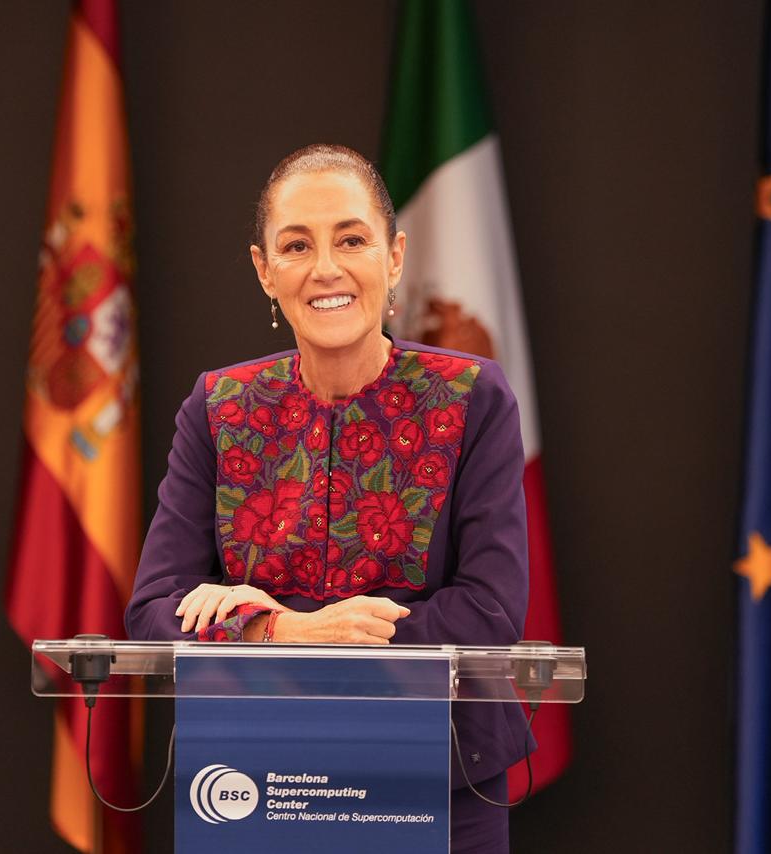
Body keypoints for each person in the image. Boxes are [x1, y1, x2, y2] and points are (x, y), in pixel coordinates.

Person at [125, 143, 529, 853]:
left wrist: (313, 631)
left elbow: (490, 612)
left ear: (394, 256)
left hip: (442, 778)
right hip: (255, 779)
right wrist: (285, 632)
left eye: (351, 239)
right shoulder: (219, 407)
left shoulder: (472, 397)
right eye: (296, 246)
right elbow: (153, 612)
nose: (326, 269)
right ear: (264, 270)